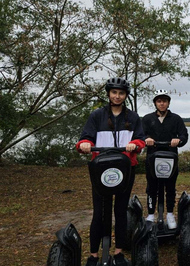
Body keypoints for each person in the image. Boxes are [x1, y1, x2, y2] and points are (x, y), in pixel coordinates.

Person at [76, 77, 145, 266]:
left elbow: (141, 140)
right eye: (114, 92)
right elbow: (85, 138)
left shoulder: (133, 117)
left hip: (126, 168)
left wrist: (135, 144)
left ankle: (119, 252)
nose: (117, 96)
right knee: (99, 212)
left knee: (120, 210)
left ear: (125, 96)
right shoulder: (97, 115)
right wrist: (85, 145)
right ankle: (93, 255)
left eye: (121, 93)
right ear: (108, 93)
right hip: (101, 169)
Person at [141, 89, 189, 228]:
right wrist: (146, 139)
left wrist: (178, 140)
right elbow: (140, 135)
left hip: (170, 158)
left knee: (170, 187)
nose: (162, 104)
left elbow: (184, 136)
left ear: (168, 103)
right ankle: (150, 214)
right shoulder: (148, 118)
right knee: (151, 187)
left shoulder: (176, 119)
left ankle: (169, 213)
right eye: (159, 101)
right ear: (155, 103)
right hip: (152, 157)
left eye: (164, 101)